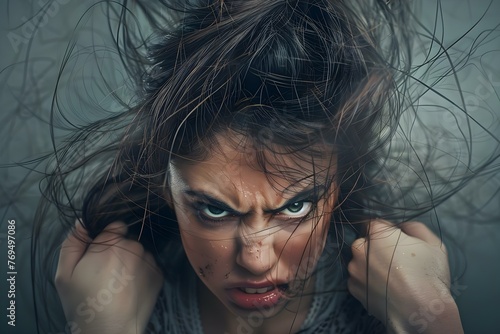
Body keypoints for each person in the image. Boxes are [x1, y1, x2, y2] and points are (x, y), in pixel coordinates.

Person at [16, 0, 497, 333]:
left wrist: (432, 322)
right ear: (163, 183)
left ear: (339, 187)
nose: (256, 260)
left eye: (296, 207)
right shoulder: (107, 305)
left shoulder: (390, 313)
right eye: (214, 210)